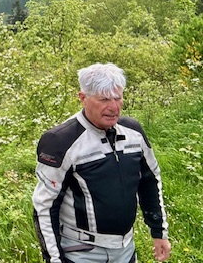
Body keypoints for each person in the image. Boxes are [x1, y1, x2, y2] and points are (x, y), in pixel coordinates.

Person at [32, 63, 170, 263]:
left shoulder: (133, 132)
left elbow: (149, 181)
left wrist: (159, 232)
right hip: (81, 251)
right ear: (83, 98)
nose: (114, 107)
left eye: (118, 98)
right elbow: (44, 206)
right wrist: (54, 259)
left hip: (125, 248)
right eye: (104, 99)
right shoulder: (60, 141)